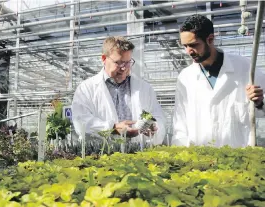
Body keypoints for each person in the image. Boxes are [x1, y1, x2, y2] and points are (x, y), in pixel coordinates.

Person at [172, 14, 265, 147]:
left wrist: (260, 102)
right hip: (200, 161)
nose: (188, 51)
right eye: (185, 46)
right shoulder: (185, 77)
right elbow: (180, 122)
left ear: (210, 39)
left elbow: (261, 106)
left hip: (238, 157)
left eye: (193, 45)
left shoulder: (244, 67)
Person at [72, 36, 166, 144]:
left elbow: (159, 117)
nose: (124, 68)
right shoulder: (86, 89)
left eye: (127, 62)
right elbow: (80, 121)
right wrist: (113, 128)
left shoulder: (144, 88)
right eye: (118, 62)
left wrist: (153, 127)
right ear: (104, 59)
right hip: (100, 156)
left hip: (137, 155)